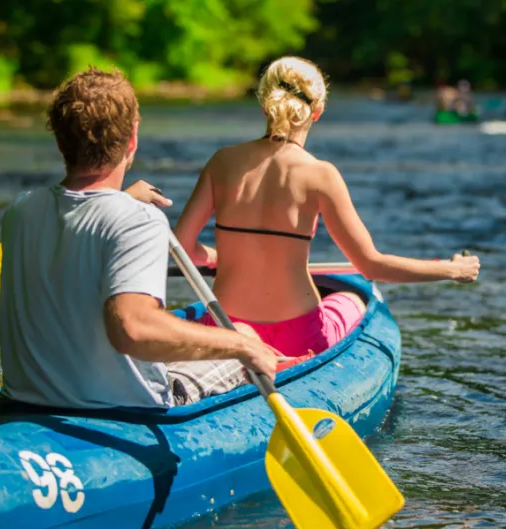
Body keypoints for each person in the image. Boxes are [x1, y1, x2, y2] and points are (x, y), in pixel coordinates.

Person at [0, 68, 279, 409]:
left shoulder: (21, 211)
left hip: (29, 404)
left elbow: (78, 222)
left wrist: (124, 203)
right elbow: (132, 329)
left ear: (59, 140)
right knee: (245, 336)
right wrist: (242, 346)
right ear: (132, 138)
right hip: (128, 409)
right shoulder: (139, 221)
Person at [175, 56, 480, 362]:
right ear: (317, 111)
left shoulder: (222, 162)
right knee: (354, 298)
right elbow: (371, 266)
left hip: (227, 326)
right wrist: (451, 269)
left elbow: (182, 248)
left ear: (263, 102)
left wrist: (215, 255)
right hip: (299, 336)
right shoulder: (321, 175)